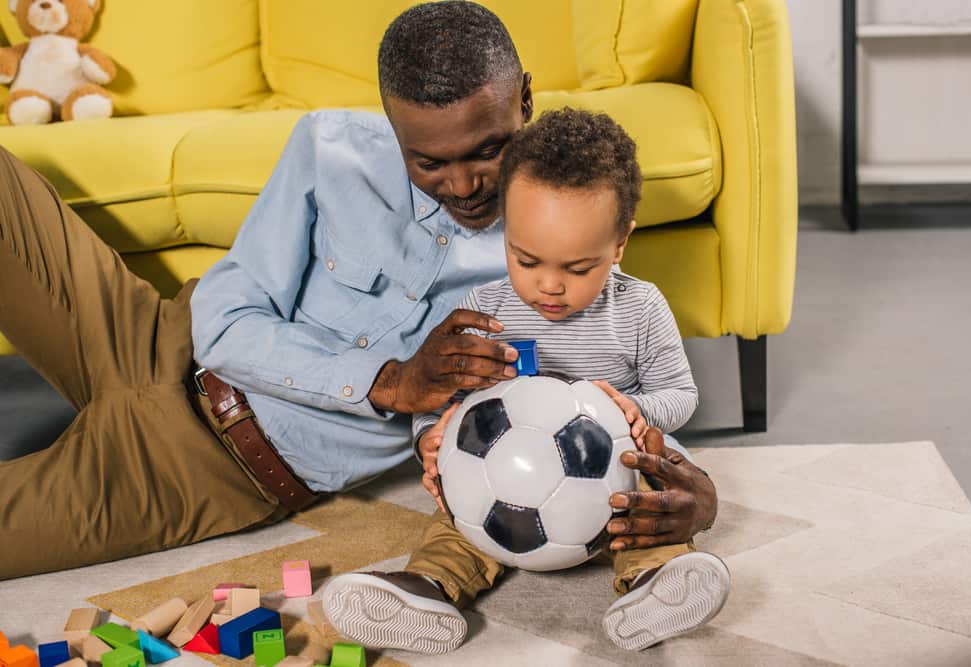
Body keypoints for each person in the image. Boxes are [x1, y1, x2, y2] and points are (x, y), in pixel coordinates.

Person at [0, 2, 716, 582]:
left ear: (522, 99)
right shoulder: (329, 147)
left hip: (203, 465)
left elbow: (597, 404)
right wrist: (390, 380)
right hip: (152, 331)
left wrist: (696, 499)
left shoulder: (550, 253)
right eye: (428, 161)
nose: (462, 184)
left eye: (486, 150)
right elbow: (225, 316)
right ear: (391, 122)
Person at [320, 109, 729, 653]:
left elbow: (681, 395)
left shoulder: (639, 308)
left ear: (621, 242)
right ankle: (426, 588)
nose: (550, 286)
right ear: (505, 231)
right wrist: (430, 438)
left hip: (616, 483)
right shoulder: (483, 310)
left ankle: (655, 582)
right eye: (526, 259)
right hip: (503, 482)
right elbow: (438, 400)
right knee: (455, 518)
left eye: (579, 268)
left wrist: (634, 411)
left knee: (652, 511)